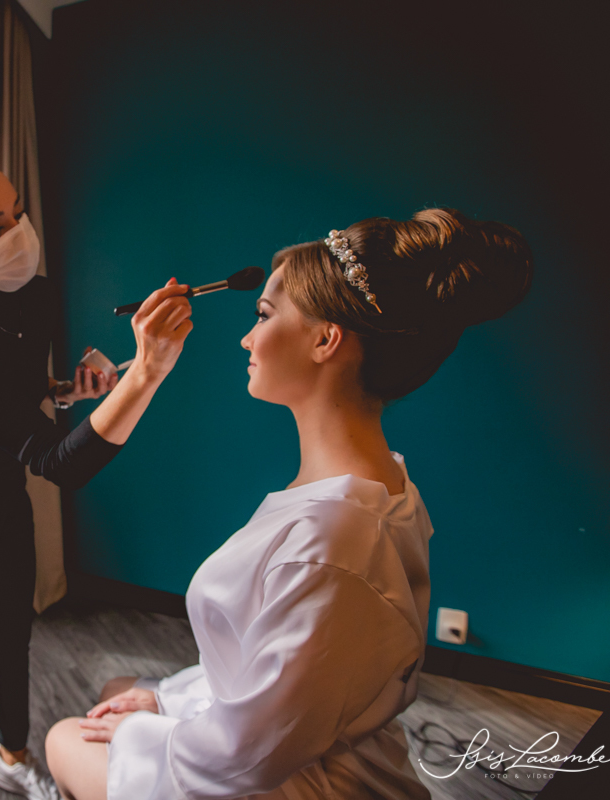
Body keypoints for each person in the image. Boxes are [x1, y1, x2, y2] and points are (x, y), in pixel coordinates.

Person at [44, 208, 533, 800]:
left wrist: (142, 733)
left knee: (64, 738)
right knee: (119, 691)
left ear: (326, 340)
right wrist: (164, 705)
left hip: (291, 777)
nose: (247, 338)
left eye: (263, 314)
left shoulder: (331, 546)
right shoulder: (383, 484)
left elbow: (244, 757)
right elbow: (279, 670)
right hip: (294, 729)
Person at [0, 143, 196, 800]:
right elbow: (58, 462)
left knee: (11, 639)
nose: (17, 235)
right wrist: (144, 373)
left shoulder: (38, 296)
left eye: (17, 214)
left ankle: (12, 757)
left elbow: (22, 398)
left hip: (2, 495)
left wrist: (65, 390)